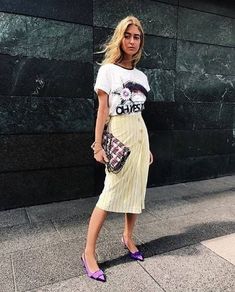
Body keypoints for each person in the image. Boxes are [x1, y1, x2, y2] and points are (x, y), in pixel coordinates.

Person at [81, 15, 153, 282]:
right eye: (128, 35)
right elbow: (102, 111)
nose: (132, 41)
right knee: (109, 195)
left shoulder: (142, 76)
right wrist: (98, 145)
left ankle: (128, 237)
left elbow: (139, 114)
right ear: (120, 37)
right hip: (119, 136)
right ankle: (88, 252)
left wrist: (147, 147)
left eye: (137, 37)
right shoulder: (108, 71)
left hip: (139, 136)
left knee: (136, 191)